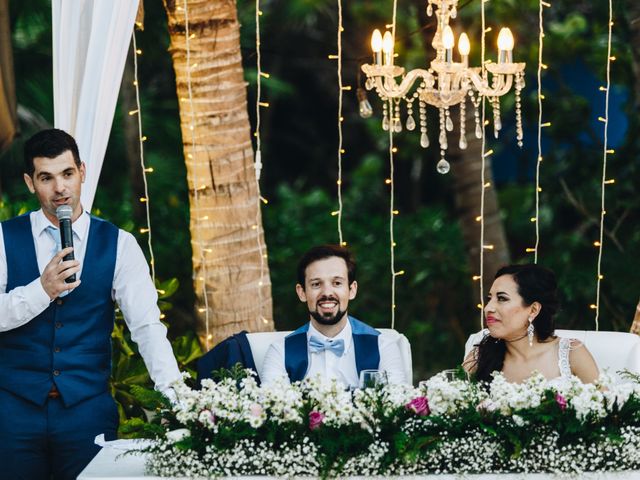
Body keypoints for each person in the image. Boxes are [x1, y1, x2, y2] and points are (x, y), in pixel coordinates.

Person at [0, 129, 183, 480]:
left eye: (67, 174)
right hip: (13, 411)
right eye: (46, 178)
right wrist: (42, 290)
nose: (60, 189)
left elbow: (146, 327)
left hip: (85, 411)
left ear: (82, 171)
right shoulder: (4, 238)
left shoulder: (120, 244)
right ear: (29, 182)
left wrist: (177, 399)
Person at [261, 244, 408, 387]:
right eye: (316, 284)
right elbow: (273, 406)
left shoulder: (383, 347)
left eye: (337, 283)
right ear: (302, 292)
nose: (327, 293)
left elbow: (396, 405)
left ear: (352, 289)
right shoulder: (280, 352)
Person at [463, 264, 599, 384]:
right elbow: (453, 402)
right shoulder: (481, 356)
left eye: (502, 298)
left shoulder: (571, 353)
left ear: (533, 310)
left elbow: (604, 408)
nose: (488, 308)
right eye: (489, 299)